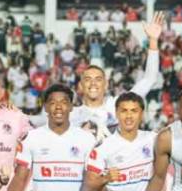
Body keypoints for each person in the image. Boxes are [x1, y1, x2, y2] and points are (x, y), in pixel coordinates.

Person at [66, 12, 165, 143]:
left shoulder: (116, 105)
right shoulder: (71, 115)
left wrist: (153, 41)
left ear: (106, 84)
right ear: (80, 86)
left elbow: (149, 79)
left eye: (98, 79)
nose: (93, 83)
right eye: (88, 79)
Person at [0, 84, 94, 191]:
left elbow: (95, 181)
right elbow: (20, 178)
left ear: (70, 107)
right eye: (52, 103)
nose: (58, 107)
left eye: (63, 102)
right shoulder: (31, 138)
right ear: (45, 107)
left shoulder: (87, 139)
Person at [83, 92, 156, 191]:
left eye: (134, 111)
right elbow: (88, 187)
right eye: (124, 111)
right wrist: (106, 180)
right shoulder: (102, 147)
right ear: (116, 113)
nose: (129, 116)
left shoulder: (153, 139)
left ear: (141, 114)